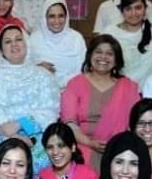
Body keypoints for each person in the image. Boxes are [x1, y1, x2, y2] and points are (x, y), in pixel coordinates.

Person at [0, 25, 58, 173]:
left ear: (26, 43)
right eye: (7, 41)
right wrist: (13, 137)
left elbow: (50, 112)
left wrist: (22, 124)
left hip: (36, 136)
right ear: (1, 49)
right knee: (2, 158)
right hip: (0, 135)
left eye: (19, 39)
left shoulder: (43, 76)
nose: (14, 44)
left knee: (45, 158)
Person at [60, 34, 141, 170]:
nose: (103, 57)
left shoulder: (128, 87)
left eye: (109, 54)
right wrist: (89, 142)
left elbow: (137, 124)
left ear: (116, 60)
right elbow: (69, 123)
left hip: (120, 149)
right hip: (82, 145)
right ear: (90, 55)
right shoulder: (75, 84)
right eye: (98, 52)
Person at [100, 0, 152, 85]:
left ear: (145, 9)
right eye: (128, 9)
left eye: (138, 8)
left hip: (149, 93)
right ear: (122, 11)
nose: (133, 13)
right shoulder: (109, 33)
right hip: (116, 91)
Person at [28, 0, 87, 89]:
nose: (57, 21)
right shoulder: (34, 39)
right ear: (45, 18)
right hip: (40, 91)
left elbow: (83, 69)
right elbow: (25, 69)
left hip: (71, 90)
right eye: (52, 16)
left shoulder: (76, 39)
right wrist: (37, 69)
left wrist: (61, 84)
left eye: (61, 16)